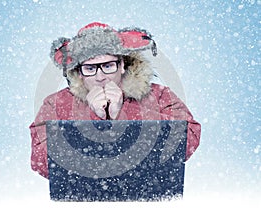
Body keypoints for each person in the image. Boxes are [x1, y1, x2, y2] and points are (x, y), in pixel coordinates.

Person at [29, 22, 201, 178]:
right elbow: (40, 161)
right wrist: (92, 116)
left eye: (108, 66)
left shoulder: (159, 95)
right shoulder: (55, 103)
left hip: (147, 198)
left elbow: (188, 140)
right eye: (90, 68)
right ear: (79, 72)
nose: (100, 76)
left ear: (122, 65)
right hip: (82, 202)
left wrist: (123, 113)